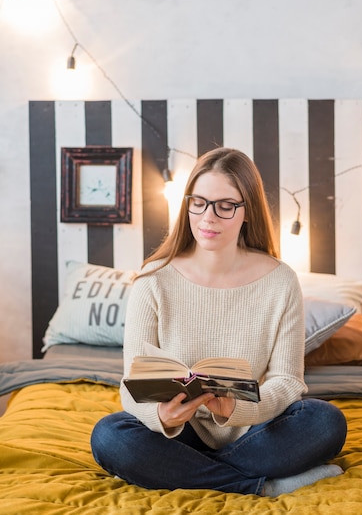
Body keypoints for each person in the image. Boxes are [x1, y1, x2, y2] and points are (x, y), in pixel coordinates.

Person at [91, 147, 347, 496]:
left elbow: (287, 381)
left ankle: (180, 474)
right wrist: (161, 417)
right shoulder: (153, 279)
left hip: (252, 429)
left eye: (225, 206)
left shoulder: (280, 280)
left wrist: (237, 408)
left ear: (247, 212)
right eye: (198, 202)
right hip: (179, 434)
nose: (208, 217)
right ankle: (263, 486)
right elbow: (131, 386)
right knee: (110, 436)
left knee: (325, 422)